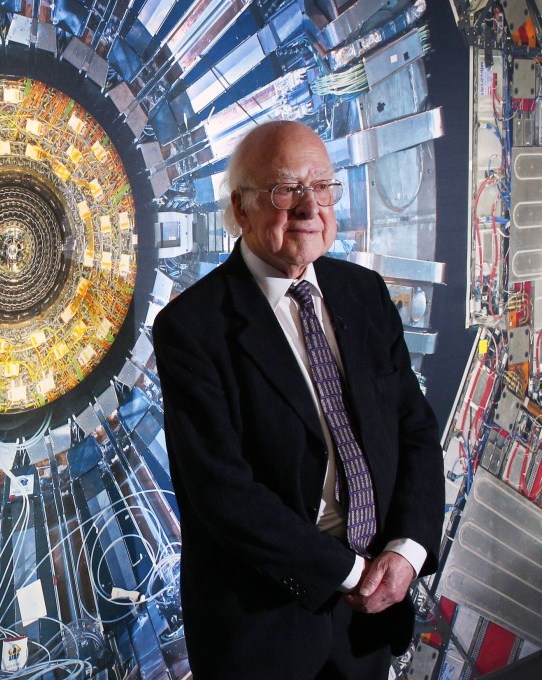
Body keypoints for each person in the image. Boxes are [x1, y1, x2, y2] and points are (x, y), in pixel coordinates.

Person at [153, 121, 444, 679]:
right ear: (241, 209)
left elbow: (414, 430)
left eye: (323, 187)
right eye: (286, 190)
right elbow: (222, 492)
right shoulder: (191, 328)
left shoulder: (364, 293)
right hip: (263, 627)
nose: (311, 208)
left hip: (370, 614)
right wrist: (348, 571)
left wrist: (406, 552)